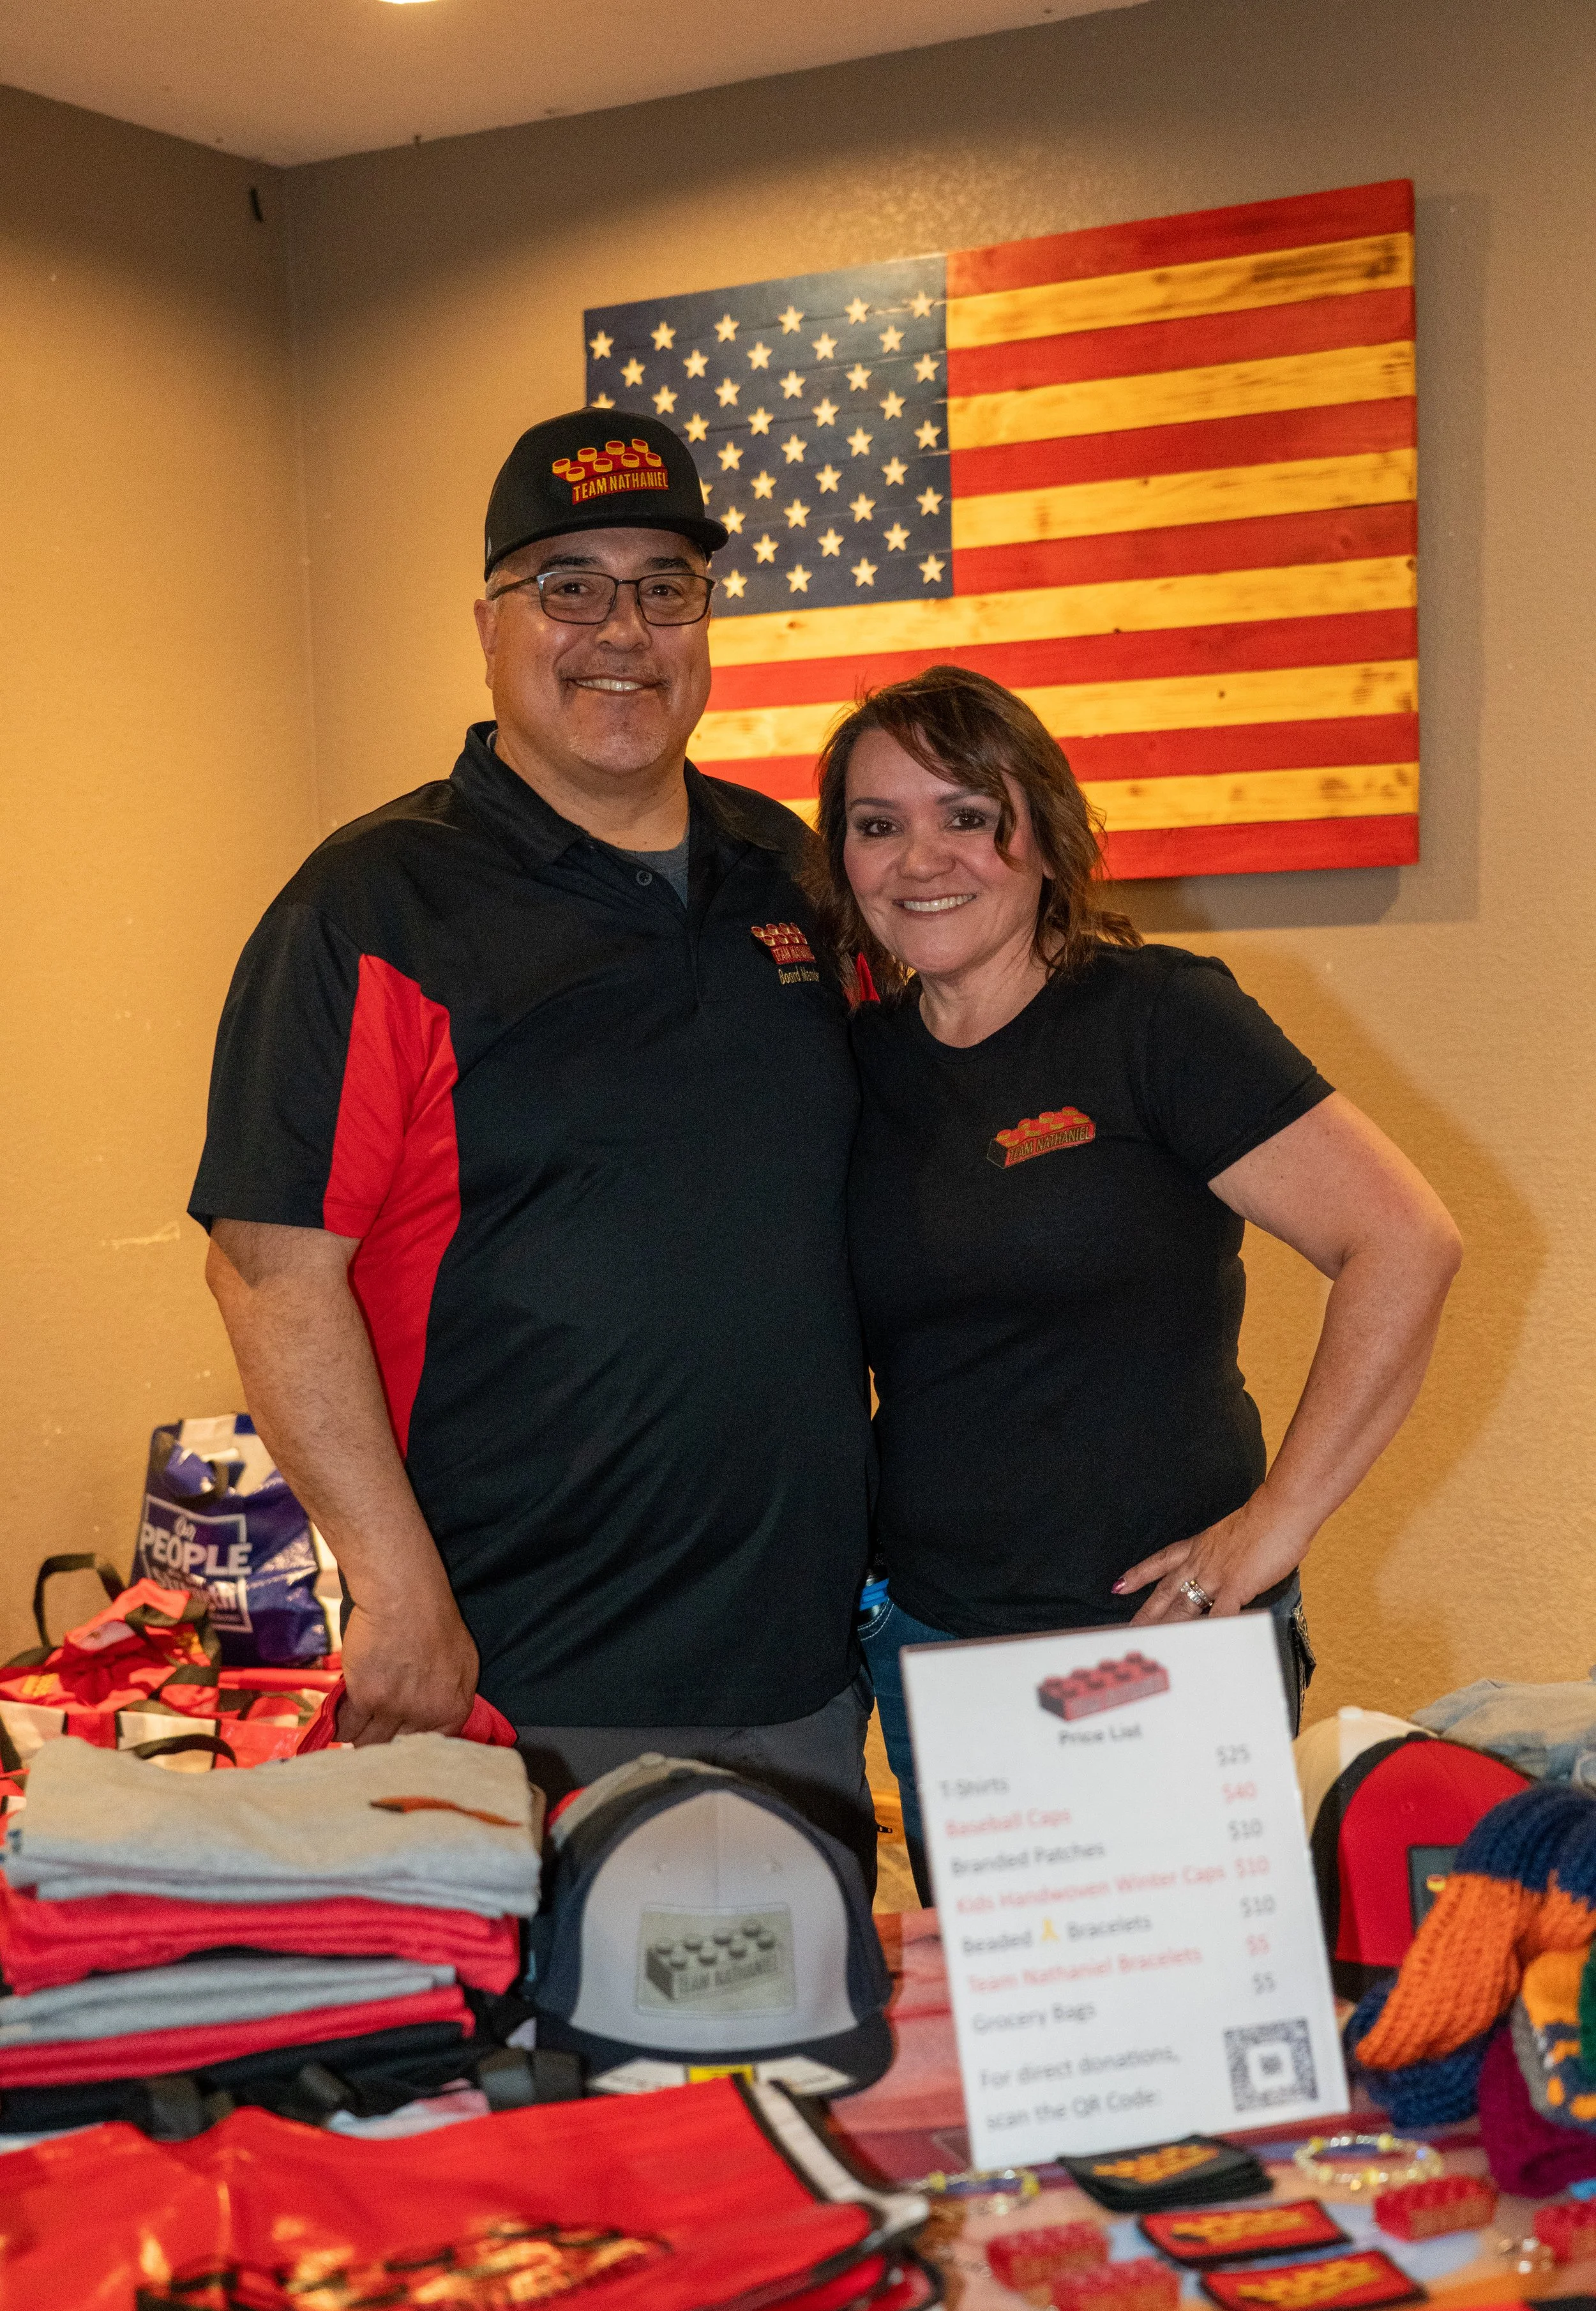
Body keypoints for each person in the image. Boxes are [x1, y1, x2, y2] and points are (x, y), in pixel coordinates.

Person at [189, 408, 879, 1884]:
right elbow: (268, 1270)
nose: (618, 629)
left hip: (801, 1671)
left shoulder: (798, 874)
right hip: (521, 1685)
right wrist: (394, 1587)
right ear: (490, 623)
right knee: (545, 2103)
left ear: (704, 619)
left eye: (663, 585)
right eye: (569, 584)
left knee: (800, 2083)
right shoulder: (371, 907)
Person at [806, 665, 1462, 1899]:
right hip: (937, 1641)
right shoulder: (851, 1068)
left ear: (1045, 833)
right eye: (877, 824)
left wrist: (1268, 1532)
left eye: (967, 813)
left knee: (1189, 2032)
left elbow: (1404, 1243)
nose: (919, 856)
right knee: (1030, 2033)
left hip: (1162, 1636)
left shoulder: (1154, 1019)